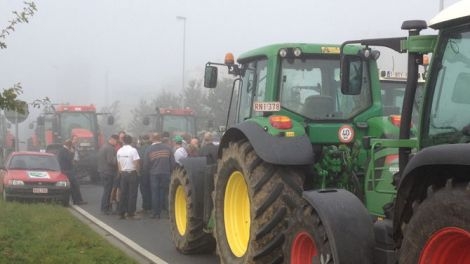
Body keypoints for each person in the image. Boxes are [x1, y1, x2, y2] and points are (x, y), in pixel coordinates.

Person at [143, 132, 175, 219]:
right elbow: (172, 163)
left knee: (155, 193)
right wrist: (171, 172)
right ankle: (168, 212)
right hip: (166, 173)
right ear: (160, 138)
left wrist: (147, 173)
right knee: (165, 193)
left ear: (152, 139)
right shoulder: (168, 148)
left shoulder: (149, 150)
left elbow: (146, 164)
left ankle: (156, 213)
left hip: (154, 174)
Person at [116, 134, 140, 220]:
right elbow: (136, 162)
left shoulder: (119, 151)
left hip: (123, 173)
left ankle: (121, 213)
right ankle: (131, 213)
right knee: (132, 194)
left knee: (123, 193)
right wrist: (138, 172)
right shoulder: (133, 150)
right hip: (132, 173)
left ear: (123, 141)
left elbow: (118, 164)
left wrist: (121, 172)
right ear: (131, 141)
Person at [57, 139, 86, 205]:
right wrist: (72, 152)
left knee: (73, 186)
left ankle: (76, 200)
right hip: (68, 171)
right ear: (69, 145)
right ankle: (78, 200)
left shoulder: (62, 150)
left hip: (66, 170)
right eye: (71, 146)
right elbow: (69, 159)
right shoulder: (64, 151)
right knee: (75, 185)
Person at [97, 134, 119, 214]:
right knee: (108, 191)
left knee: (106, 190)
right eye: (116, 141)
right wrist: (118, 157)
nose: (116, 143)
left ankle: (105, 207)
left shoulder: (103, 146)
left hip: (102, 171)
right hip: (108, 172)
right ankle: (105, 208)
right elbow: (111, 161)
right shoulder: (110, 148)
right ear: (112, 139)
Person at [137, 134, 152, 214]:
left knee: (144, 189)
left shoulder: (140, 149)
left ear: (142, 140)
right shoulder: (152, 148)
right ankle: (152, 205)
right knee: (151, 189)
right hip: (152, 171)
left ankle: (146, 207)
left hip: (143, 171)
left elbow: (138, 161)